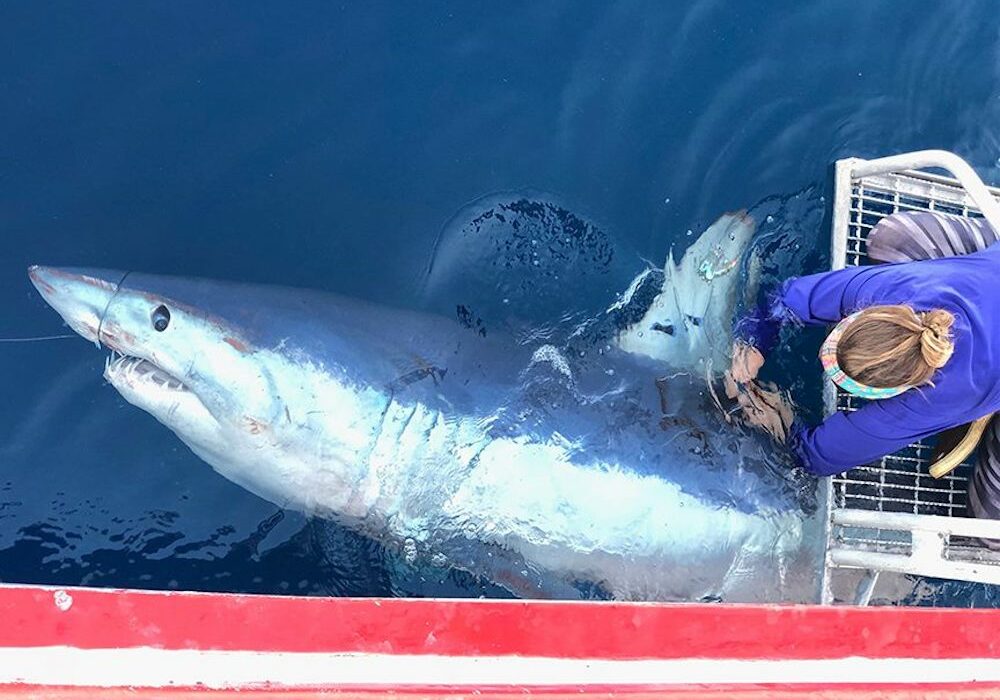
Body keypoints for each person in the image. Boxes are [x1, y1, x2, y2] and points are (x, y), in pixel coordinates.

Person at [728, 210, 1000, 521]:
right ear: (871, 311)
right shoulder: (894, 289)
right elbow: (785, 299)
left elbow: (817, 457)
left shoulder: (921, 403)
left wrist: (779, 418)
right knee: (890, 238)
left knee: (989, 521)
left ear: (900, 390)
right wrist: (753, 343)